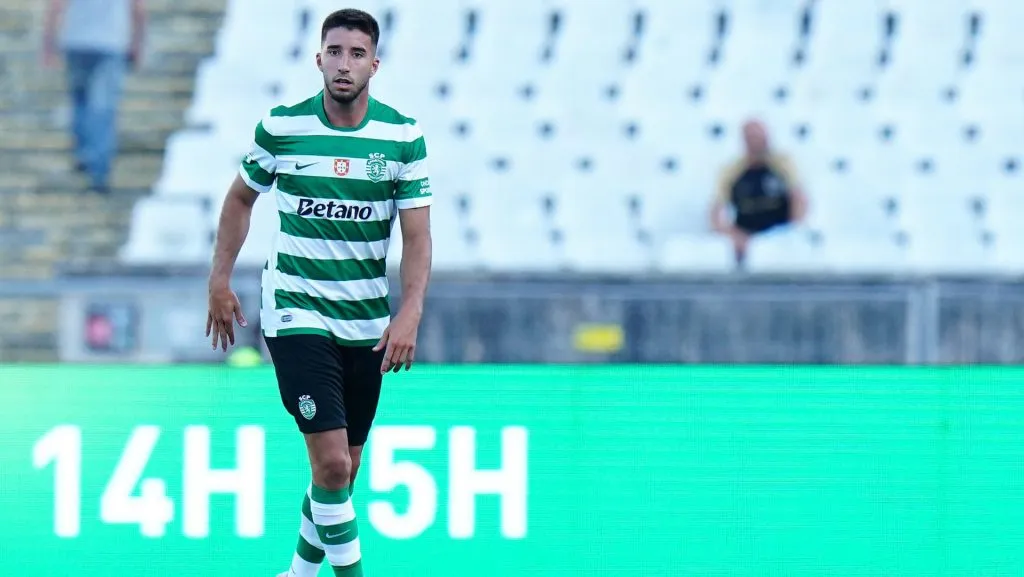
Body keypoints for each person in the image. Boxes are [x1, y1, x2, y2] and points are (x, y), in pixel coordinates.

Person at [204, 9, 433, 577]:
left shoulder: (402, 138)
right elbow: (239, 199)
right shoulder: (282, 128)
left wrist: (410, 312)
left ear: (374, 65)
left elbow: (418, 236)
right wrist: (219, 279)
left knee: (343, 474)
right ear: (318, 59)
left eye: (357, 54)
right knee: (330, 465)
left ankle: (297, 574)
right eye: (335, 52)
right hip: (295, 309)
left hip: (365, 319)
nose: (344, 64)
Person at [43, 0, 146, 193]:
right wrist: (138, 42)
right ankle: (97, 165)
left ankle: (85, 154)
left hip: (79, 40)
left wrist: (48, 42)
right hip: (109, 41)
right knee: (102, 107)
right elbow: (138, 8)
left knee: (82, 102)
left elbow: (56, 5)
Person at [709, 119, 808, 267]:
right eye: (751, 138)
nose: (757, 142)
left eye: (760, 137)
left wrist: (791, 231)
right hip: (746, 237)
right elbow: (716, 212)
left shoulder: (783, 166)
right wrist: (733, 235)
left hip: (780, 236)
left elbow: (799, 201)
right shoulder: (732, 171)